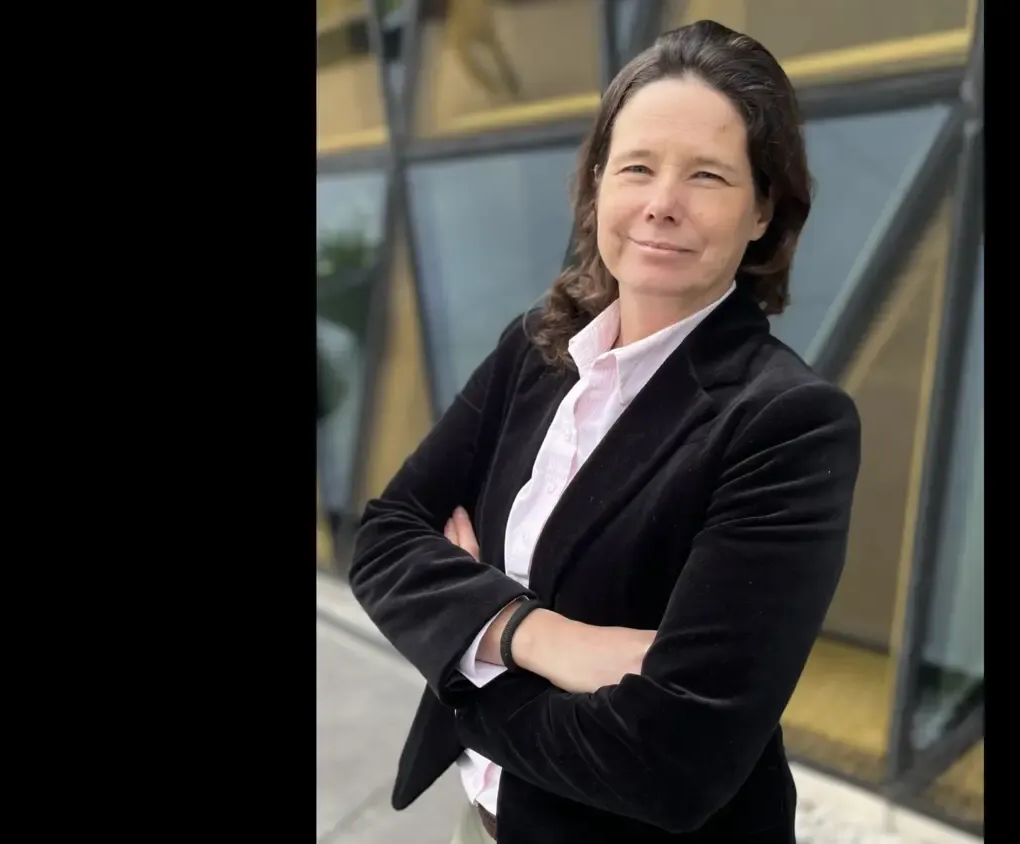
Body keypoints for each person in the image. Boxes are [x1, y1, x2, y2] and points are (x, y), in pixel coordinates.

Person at [349, 19, 862, 843]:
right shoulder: (537, 350)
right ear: (596, 186)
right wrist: (540, 637)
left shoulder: (788, 426)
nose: (663, 204)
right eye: (636, 167)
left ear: (764, 208)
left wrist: (461, 645)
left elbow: (672, 760)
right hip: (481, 820)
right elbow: (383, 540)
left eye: (707, 175)